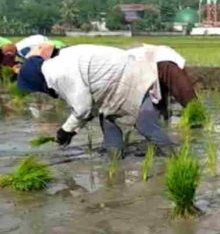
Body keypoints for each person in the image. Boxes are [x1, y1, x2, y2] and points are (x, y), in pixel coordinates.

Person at [16, 43, 176, 158]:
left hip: (134, 77)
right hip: (116, 83)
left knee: (145, 125)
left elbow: (83, 108)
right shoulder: (57, 65)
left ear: (36, 80)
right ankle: (114, 157)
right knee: (107, 119)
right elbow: (89, 109)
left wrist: (65, 130)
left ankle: (175, 158)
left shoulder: (58, 73)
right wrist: (72, 131)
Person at [126, 44, 197, 120]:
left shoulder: (129, 54)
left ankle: (161, 115)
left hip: (159, 61)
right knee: (186, 97)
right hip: (159, 61)